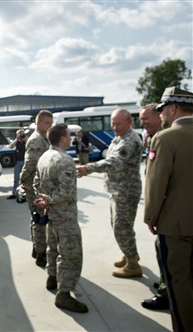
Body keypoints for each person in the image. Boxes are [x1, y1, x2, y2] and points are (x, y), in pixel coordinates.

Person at [144, 87, 193, 332]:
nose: (161, 116)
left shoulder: (165, 138)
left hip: (177, 226)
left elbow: (156, 183)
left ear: (173, 109)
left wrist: (151, 217)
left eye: (162, 111)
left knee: (179, 283)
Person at [77, 108, 143, 278]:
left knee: (121, 227)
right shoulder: (119, 138)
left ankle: (133, 265)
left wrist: (88, 168)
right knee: (120, 226)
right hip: (117, 189)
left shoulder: (130, 140)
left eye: (118, 124)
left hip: (126, 191)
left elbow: (114, 162)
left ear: (129, 122)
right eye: (113, 123)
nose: (114, 127)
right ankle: (131, 254)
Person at [33, 123, 88, 313]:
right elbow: (66, 192)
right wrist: (49, 199)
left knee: (53, 247)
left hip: (51, 214)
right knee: (71, 255)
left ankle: (52, 277)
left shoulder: (44, 157)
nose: (71, 138)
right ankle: (64, 294)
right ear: (63, 138)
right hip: (65, 216)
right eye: (69, 135)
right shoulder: (64, 160)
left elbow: (36, 183)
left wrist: (43, 199)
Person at [139, 103, 170, 310]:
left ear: (160, 117)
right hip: (163, 204)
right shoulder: (152, 137)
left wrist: (152, 213)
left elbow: (160, 178)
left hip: (169, 207)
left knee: (167, 250)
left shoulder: (165, 138)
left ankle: (166, 293)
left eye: (145, 119)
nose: (142, 123)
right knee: (162, 249)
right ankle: (166, 282)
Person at [20, 110, 53, 267]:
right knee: (39, 220)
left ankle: (36, 248)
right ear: (39, 123)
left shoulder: (43, 138)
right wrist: (24, 182)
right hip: (34, 186)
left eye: (51, 123)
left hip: (40, 185)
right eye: (47, 123)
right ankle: (41, 254)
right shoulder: (36, 140)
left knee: (37, 218)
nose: (50, 126)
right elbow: (30, 164)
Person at [7, 129, 27, 199]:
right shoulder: (17, 141)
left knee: (26, 179)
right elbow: (11, 146)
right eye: (19, 134)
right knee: (16, 178)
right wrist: (17, 139)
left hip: (26, 161)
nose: (21, 135)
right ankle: (15, 193)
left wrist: (25, 139)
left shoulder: (26, 140)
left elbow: (30, 144)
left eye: (21, 134)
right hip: (18, 161)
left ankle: (26, 194)